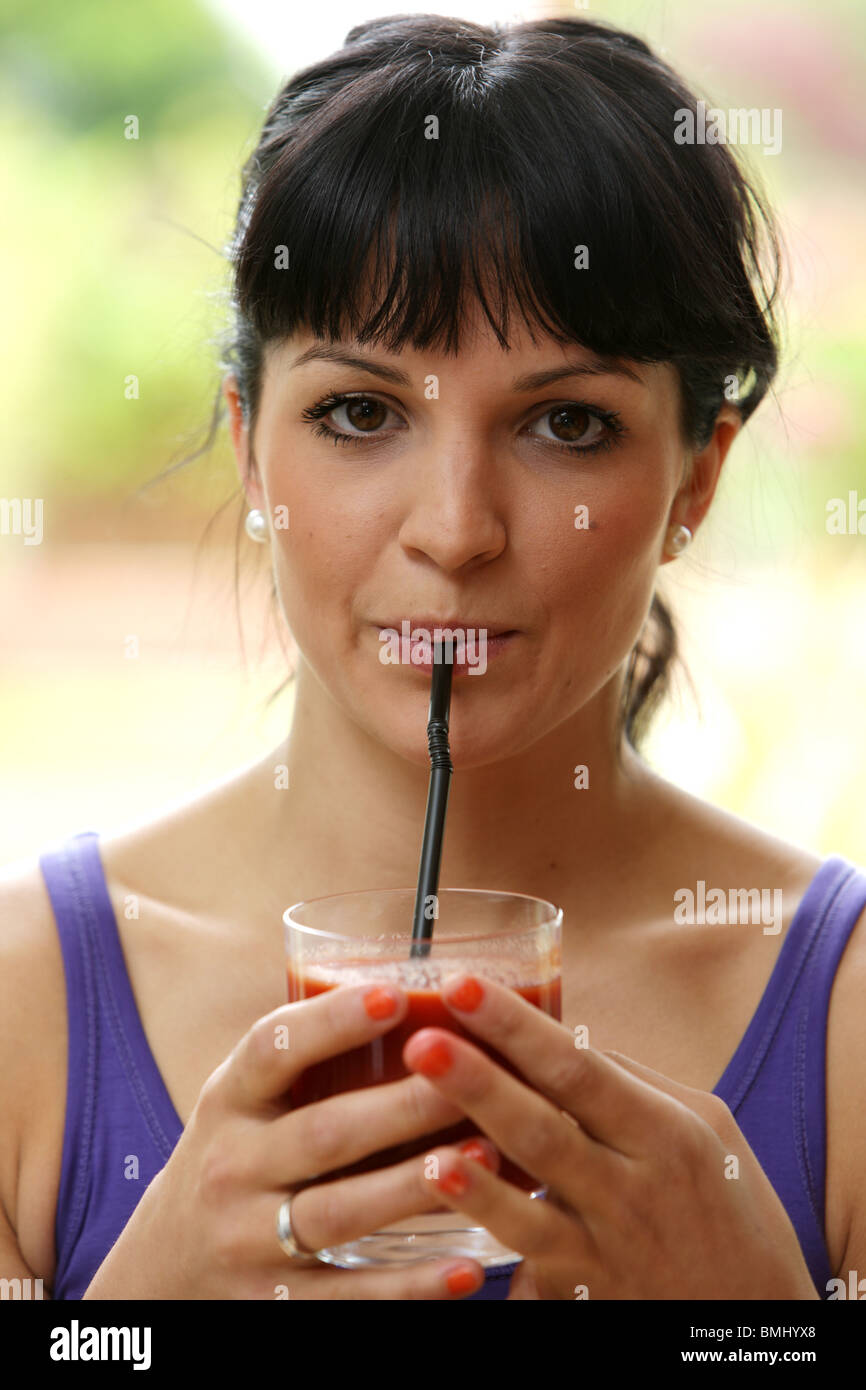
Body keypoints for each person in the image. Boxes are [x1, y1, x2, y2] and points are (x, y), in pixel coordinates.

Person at [2, 13, 864, 1303]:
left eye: (567, 423)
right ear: (249, 447)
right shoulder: (29, 1010)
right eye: (359, 413)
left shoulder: (844, 1022)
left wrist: (756, 1331)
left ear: (698, 477)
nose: (456, 530)